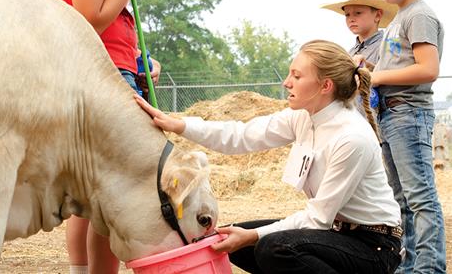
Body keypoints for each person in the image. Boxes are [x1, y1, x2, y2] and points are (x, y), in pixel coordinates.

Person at [136, 39, 403, 274]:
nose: (286, 82)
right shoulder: (302, 117)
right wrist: (179, 125)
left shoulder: (350, 137)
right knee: (228, 241)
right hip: (335, 233)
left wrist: (252, 235)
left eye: (296, 76)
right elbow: (241, 136)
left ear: (325, 85)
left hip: (373, 246)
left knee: (274, 248)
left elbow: (317, 219)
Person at [39, 0, 161, 273]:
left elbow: (107, 23)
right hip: (102, 73)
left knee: (92, 199)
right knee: (112, 197)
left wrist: (140, 59)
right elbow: (89, 20)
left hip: (112, 66)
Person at [360, 0, 446, 273]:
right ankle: (410, 265)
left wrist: (377, 74)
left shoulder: (418, 16)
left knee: (420, 198)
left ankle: (430, 267)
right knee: (404, 199)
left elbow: (428, 69)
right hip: (391, 115)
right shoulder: (399, 20)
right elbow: (396, 64)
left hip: (408, 113)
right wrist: (366, 64)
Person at [321, 0, 398, 70]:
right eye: (347, 15)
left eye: (358, 13)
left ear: (378, 15)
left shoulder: (389, 46)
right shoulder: (349, 54)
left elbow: (395, 76)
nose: (351, 19)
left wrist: (370, 69)